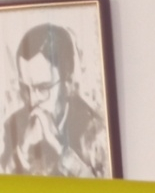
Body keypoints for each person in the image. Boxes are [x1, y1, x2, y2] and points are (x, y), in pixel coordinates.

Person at [1, 23, 108, 179]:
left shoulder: (95, 130)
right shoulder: (12, 125)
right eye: (25, 88)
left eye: (42, 88)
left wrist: (60, 149)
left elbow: (105, 191)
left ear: (67, 81)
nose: (32, 101)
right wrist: (22, 151)